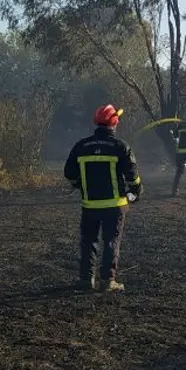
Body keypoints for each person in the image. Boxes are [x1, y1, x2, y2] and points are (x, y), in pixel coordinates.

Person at [64, 104, 143, 292]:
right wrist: (136, 191)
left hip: (89, 205)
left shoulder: (81, 146)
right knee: (111, 241)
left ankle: (86, 279)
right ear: (114, 123)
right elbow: (132, 176)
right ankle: (107, 281)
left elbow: (69, 173)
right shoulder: (120, 146)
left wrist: (79, 184)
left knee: (88, 241)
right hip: (115, 206)